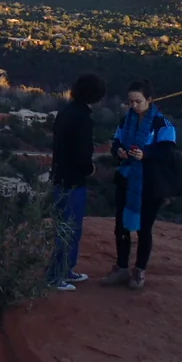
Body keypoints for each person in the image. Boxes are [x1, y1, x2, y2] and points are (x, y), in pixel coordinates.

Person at [101, 80, 180, 291]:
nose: (134, 106)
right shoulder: (125, 121)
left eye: (138, 101)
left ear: (150, 100)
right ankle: (121, 267)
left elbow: (167, 152)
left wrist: (146, 154)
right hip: (126, 178)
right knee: (121, 226)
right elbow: (116, 142)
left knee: (144, 229)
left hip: (150, 183)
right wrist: (118, 151)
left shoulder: (162, 125)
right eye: (131, 102)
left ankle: (139, 269)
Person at [46, 72, 106, 291]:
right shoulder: (83, 119)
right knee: (68, 229)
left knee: (68, 228)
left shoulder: (66, 111)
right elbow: (80, 155)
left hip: (61, 177)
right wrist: (89, 168)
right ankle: (55, 276)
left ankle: (66, 270)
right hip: (72, 181)